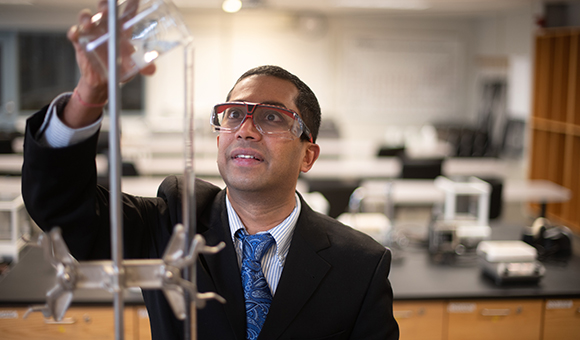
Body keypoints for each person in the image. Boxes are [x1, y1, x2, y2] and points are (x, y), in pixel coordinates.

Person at [21, 2, 399, 340]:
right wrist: (90, 94)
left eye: (271, 117)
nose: (245, 129)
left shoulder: (361, 264)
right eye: (234, 114)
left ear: (308, 155)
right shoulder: (173, 224)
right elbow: (61, 202)